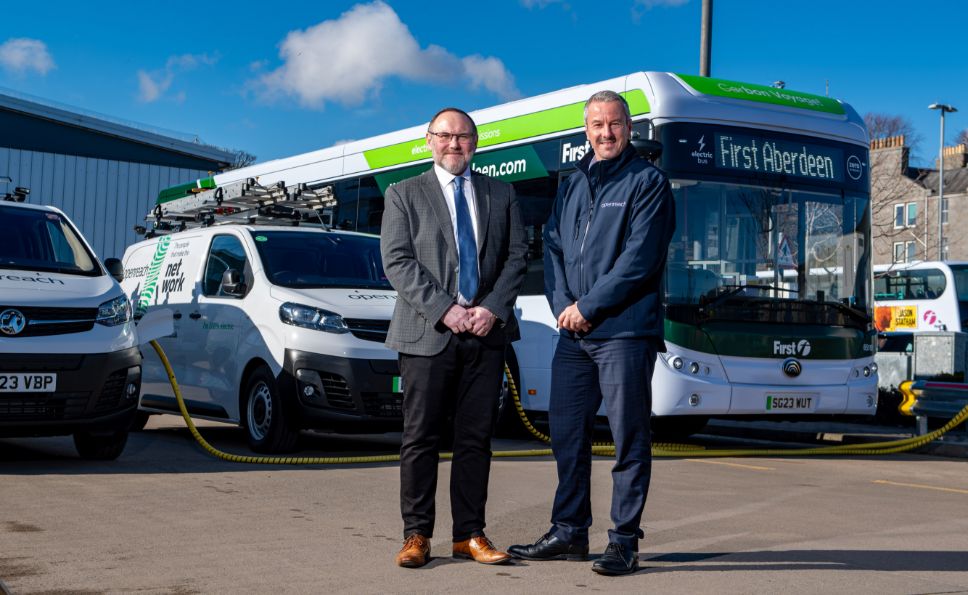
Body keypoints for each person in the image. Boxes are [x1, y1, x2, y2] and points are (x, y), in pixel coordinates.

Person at [508, 90, 676, 576]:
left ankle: (624, 540)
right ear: (586, 130)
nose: (606, 132)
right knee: (566, 433)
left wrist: (588, 307)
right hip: (574, 334)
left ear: (629, 127)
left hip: (624, 331)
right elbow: (554, 246)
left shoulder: (648, 182)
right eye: (597, 125)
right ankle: (569, 530)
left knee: (628, 437)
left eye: (615, 124)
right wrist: (564, 307)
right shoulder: (573, 181)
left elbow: (639, 262)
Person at [380, 107, 528, 569]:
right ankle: (416, 535)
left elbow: (518, 256)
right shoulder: (403, 194)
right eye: (445, 136)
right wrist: (447, 309)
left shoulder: (501, 194)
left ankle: (469, 535)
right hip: (427, 333)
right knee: (420, 438)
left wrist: (491, 309)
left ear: (476, 143)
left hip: (485, 333)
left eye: (463, 137)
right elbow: (398, 261)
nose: (454, 144)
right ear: (429, 141)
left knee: (475, 439)